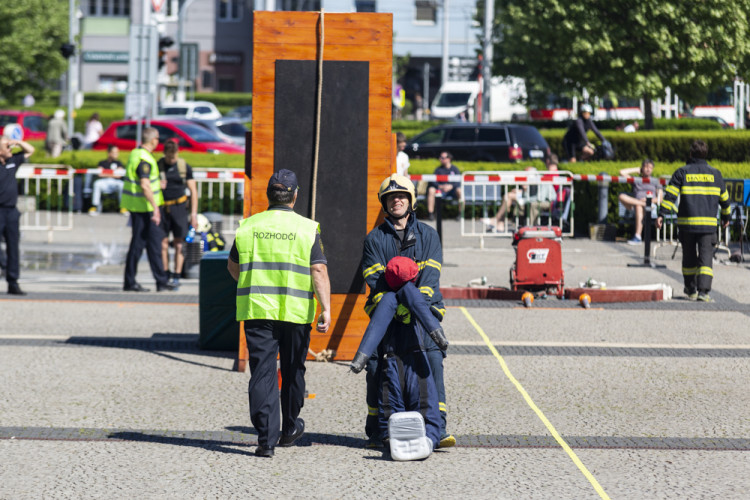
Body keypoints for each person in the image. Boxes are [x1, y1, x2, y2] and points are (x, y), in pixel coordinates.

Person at [227, 169, 331, 458]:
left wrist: (251, 281)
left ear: (269, 195)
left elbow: (232, 266)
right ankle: (289, 428)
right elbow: (318, 270)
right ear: (295, 196)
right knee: (293, 369)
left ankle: (265, 439)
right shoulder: (308, 228)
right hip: (296, 312)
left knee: (262, 371)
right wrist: (326, 309)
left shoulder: (248, 226)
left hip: (258, 309)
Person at [361, 173, 454, 450]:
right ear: (384, 204)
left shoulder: (429, 235)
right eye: (390, 198)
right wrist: (397, 308)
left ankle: (439, 428)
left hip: (424, 316)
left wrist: (412, 308)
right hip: (386, 317)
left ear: (411, 201)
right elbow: (375, 282)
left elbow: (429, 282)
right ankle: (378, 430)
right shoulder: (374, 239)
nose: (396, 200)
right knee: (376, 367)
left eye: (401, 196)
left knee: (433, 363)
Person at [656, 140, 731, 302]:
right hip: (708, 226)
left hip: (687, 224)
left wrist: (661, 214)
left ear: (690, 154)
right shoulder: (715, 174)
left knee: (689, 258)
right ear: (706, 154)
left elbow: (670, 196)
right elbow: (725, 200)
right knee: (706, 258)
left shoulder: (682, 172)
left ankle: (691, 290)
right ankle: (703, 292)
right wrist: (726, 217)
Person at [120, 127, 175, 292]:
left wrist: (158, 184)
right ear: (153, 140)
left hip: (142, 208)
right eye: (158, 138)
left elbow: (146, 183)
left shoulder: (136, 153)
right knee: (140, 246)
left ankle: (161, 280)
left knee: (152, 244)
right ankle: (131, 282)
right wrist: (155, 209)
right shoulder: (144, 159)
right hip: (145, 209)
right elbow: (144, 185)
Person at [158, 140, 198, 287]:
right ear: (164, 154)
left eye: (173, 157)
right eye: (169, 157)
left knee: (179, 243)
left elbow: (193, 191)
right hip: (163, 208)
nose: (171, 160)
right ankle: (165, 273)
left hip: (179, 207)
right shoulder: (159, 165)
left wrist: (193, 214)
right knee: (162, 243)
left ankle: (176, 275)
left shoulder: (183, 166)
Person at [0, 136, 35, 295]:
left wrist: (18, 142)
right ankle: (4, 266)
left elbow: (30, 150)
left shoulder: (13, 161)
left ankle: (13, 282)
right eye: (7, 147)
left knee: (13, 247)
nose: (10, 149)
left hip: (11, 211)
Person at [619, 159, 662, 245]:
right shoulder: (636, 180)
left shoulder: (656, 181)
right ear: (642, 168)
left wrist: (648, 200)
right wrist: (636, 170)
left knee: (638, 206)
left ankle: (637, 236)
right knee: (621, 196)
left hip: (651, 206)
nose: (648, 169)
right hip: (635, 205)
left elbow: (660, 199)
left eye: (650, 167)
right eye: (646, 167)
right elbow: (621, 172)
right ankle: (641, 204)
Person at [88, 145, 126, 216]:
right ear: (109, 153)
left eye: (117, 152)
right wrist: (113, 173)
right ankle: (94, 206)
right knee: (97, 184)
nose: (116, 154)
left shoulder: (119, 163)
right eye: (114, 152)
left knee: (121, 185)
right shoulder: (102, 163)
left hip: (115, 182)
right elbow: (100, 174)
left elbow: (119, 175)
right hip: (104, 182)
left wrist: (106, 173)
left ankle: (123, 207)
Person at [426, 151, 461, 220]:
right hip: (440, 190)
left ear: (449, 159)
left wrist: (451, 186)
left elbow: (458, 181)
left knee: (460, 191)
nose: (440, 159)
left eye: (442, 158)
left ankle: (461, 214)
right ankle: (431, 214)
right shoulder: (438, 170)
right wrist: (440, 186)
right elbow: (433, 181)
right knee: (431, 190)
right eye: (440, 157)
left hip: (452, 190)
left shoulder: (455, 169)